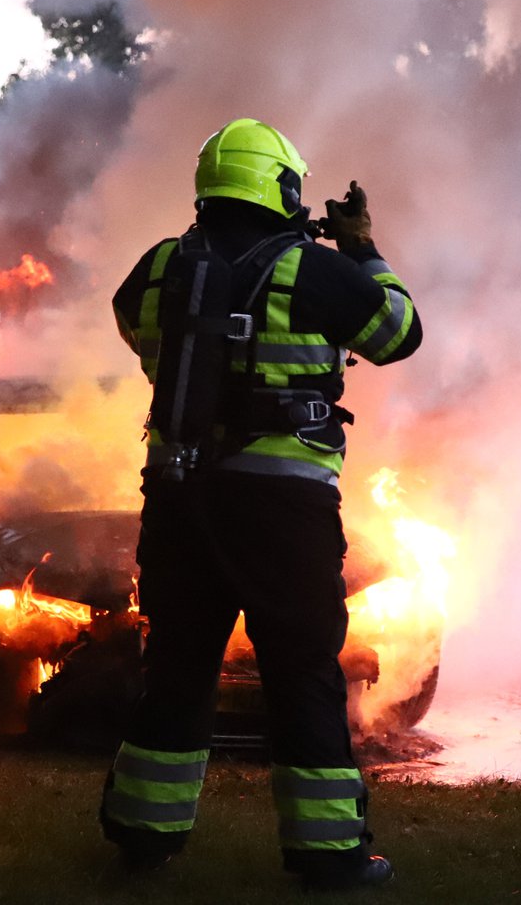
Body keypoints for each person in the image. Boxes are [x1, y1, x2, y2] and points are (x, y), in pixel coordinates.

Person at [100, 119, 422, 890]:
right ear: (280, 186)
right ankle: (326, 854)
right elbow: (399, 333)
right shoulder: (311, 269)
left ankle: (144, 836)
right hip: (284, 513)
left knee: (177, 664)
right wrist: (362, 249)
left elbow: (133, 327)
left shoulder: (160, 267)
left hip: (180, 498)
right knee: (303, 672)